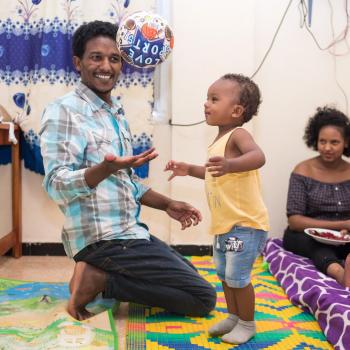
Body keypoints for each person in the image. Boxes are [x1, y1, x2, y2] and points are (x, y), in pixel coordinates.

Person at [39, 20, 216, 321]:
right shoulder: (64, 111)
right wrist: (104, 169)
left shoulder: (115, 112)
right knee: (202, 298)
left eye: (114, 58)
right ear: (77, 62)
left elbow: (127, 181)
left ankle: (96, 275)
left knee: (190, 275)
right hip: (102, 238)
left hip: (128, 232)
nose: (106, 66)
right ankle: (100, 279)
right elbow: (57, 183)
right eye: (96, 57)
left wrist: (168, 204)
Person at [164, 73, 269, 345]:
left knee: (237, 277)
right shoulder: (218, 141)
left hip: (245, 226)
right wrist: (189, 169)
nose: (206, 104)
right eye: (207, 98)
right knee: (224, 273)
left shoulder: (239, 135)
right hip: (226, 226)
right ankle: (234, 316)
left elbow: (259, 157)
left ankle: (247, 323)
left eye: (214, 99)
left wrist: (231, 165)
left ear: (236, 111)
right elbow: (214, 173)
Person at [283, 106, 350, 287]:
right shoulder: (303, 170)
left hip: (346, 236)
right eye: (322, 141)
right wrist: (341, 225)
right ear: (315, 140)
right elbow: (295, 221)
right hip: (307, 235)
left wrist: (346, 230)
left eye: (334, 142)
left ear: (346, 142)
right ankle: (340, 274)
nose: (327, 148)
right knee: (315, 245)